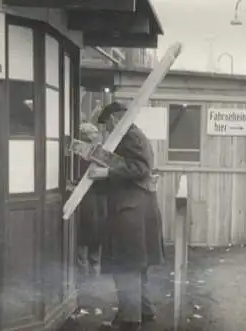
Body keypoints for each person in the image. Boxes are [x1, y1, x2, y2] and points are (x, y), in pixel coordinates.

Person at [89, 102, 165, 331]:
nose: (106, 130)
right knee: (136, 266)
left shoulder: (130, 135)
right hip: (136, 211)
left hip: (131, 213)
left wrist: (105, 171)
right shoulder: (132, 135)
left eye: (106, 125)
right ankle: (144, 311)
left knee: (126, 267)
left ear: (113, 119)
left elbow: (141, 168)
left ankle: (130, 321)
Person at [77, 122, 107, 279]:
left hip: (85, 202)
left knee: (82, 246)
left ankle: (84, 279)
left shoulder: (78, 153)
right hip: (99, 203)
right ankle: (94, 278)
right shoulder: (102, 154)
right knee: (95, 247)